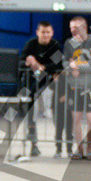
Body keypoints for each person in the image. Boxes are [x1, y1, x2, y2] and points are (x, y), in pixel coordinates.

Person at [63, 16, 91, 160]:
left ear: (84, 27)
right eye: (71, 28)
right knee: (76, 119)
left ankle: (89, 150)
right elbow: (64, 61)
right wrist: (70, 68)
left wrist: (79, 67)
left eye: (76, 27)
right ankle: (79, 150)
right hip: (75, 87)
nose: (73, 31)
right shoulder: (69, 43)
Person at [21, 21, 64, 159]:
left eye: (48, 32)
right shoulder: (31, 44)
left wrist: (39, 66)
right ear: (37, 32)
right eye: (43, 32)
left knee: (57, 112)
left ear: (52, 33)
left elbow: (58, 65)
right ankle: (32, 139)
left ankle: (59, 147)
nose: (45, 35)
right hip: (32, 81)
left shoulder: (55, 46)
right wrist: (28, 62)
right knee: (25, 100)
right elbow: (21, 61)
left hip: (50, 81)